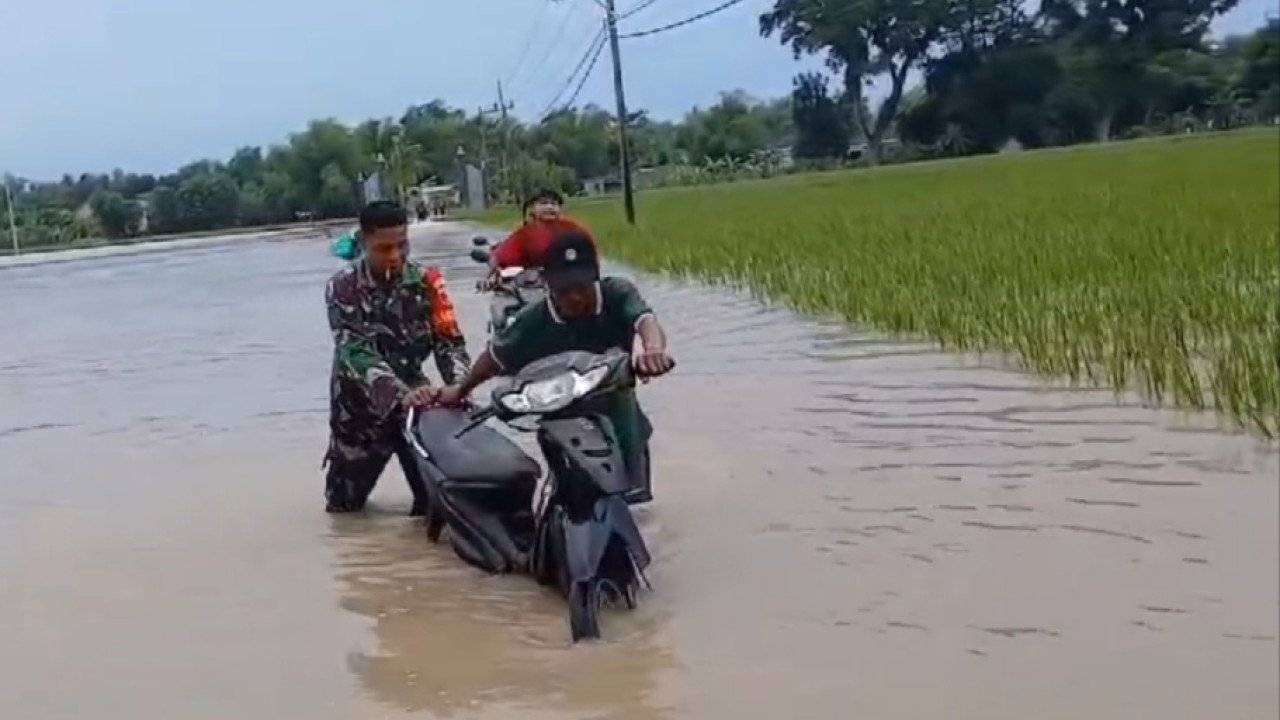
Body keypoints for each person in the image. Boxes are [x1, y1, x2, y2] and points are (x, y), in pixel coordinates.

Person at [436, 230, 675, 505]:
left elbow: (645, 322)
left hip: (616, 408)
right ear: (548, 284)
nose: (574, 298)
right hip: (563, 411)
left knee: (637, 501)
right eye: (563, 290)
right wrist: (461, 389)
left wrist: (653, 352)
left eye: (581, 288)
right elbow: (494, 357)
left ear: (595, 278)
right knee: (566, 493)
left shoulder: (617, 294)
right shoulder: (533, 319)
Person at [323, 200, 472, 515]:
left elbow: (450, 342)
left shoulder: (429, 283)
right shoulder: (343, 287)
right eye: (384, 248)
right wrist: (402, 395)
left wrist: (459, 388)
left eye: (402, 245)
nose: (395, 256)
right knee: (345, 511)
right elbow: (356, 351)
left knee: (436, 507)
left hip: (417, 406)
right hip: (358, 412)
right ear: (363, 242)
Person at [488, 188, 596, 274]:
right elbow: (503, 258)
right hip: (538, 283)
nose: (549, 207)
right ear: (531, 208)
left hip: (573, 280)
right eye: (543, 203)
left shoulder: (573, 227)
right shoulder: (525, 233)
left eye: (553, 204)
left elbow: (592, 253)